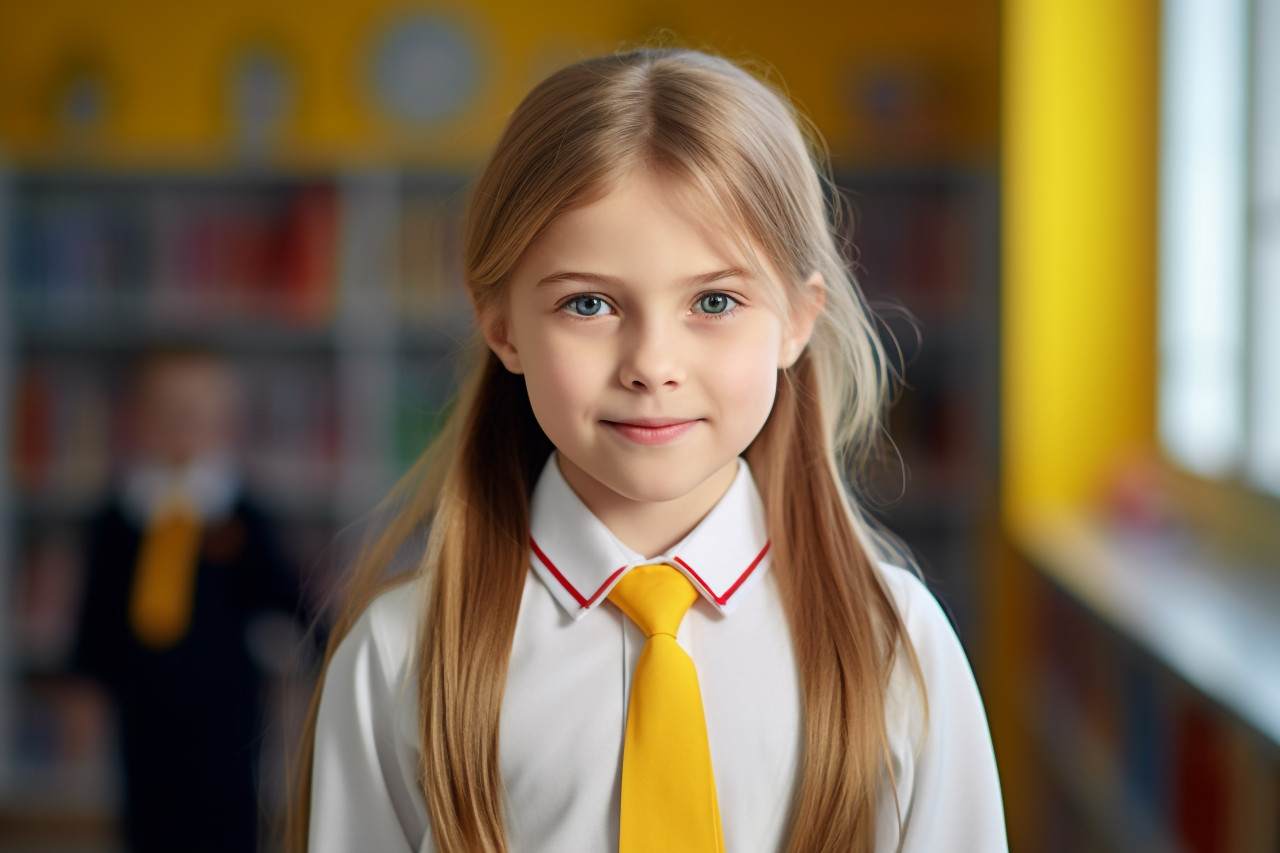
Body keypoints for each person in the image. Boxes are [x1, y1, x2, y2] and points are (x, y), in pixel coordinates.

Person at [292, 47, 1006, 852]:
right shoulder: (398, 657)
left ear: (799, 320)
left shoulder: (898, 644)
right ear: (501, 326)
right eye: (589, 303)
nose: (652, 366)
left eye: (714, 300)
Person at [72, 346, 304, 853]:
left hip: (225, 701)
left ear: (227, 425)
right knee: (149, 811)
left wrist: (326, 641)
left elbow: (282, 594)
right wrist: (86, 685)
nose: (183, 426)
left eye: (197, 415)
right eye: (169, 413)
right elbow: (97, 610)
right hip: (142, 699)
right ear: (138, 421)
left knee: (227, 810)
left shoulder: (237, 515)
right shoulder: (120, 516)